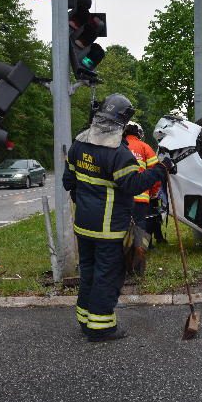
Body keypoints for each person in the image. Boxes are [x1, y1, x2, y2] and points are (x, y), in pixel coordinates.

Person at [62, 94, 175, 342]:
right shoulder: (118, 154)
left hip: (83, 226)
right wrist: (160, 169)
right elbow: (132, 185)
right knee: (108, 274)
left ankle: (85, 319)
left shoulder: (78, 145)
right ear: (122, 123)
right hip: (109, 228)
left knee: (89, 272)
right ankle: (101, 327)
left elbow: (68, 182)